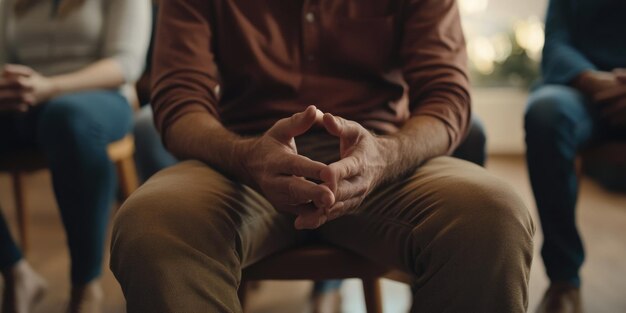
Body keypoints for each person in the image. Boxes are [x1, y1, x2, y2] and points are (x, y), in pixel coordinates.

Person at [111, 0, 535, 312]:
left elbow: (447, 97)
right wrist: (247, 157)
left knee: (493, 216)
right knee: (152, 223)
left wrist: (384, 157)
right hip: (242, 163)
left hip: (384, 162)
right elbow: (178, 100)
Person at [0, 0, 151, 312]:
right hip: (27, 101)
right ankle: (15, 270)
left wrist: (50, 86)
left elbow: (125, 64)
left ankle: (86, 284)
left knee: (66, 119)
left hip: (101, 97)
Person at [525, 0, 626, 312]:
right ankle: (564, 281)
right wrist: (589, 79)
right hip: (584, 90)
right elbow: (555, 43)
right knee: (545, 112)